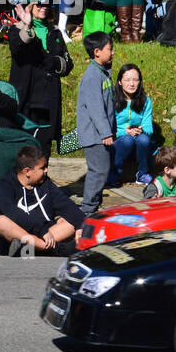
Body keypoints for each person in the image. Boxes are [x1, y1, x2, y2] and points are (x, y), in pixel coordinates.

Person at [8, 0, 73, 147]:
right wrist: (28, 27)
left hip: (49, 96)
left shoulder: (56, 32)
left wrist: (57, 63)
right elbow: (17, 50)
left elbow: (68, 62)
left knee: (45, 142)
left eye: (47, 4)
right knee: (26, 145)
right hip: (27, 95)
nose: (44, 7)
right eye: (39, 4)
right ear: (29, 6)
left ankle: (44, 171)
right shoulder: (16, 30)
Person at [0, 145, 83, 257]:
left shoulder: (46, 184)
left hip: (45, 234)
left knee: (68, 221)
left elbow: (68, 206)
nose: (46, 170)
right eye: (42, 168)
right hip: (18, 235)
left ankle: (30, 248)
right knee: (0, 221)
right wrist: (41, 230)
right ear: (27, 171)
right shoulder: (5, 185)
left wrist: (80, 226)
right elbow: (12, 213)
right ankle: (52, 248)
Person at [76, 31, 116, 216]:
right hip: (95, 135)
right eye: (110, 49)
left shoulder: (102, 73)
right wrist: (105, 133)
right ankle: (87, 211)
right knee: (98, 171)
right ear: (97, 52)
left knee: (102, 170)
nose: (113, 52)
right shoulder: (93, 76)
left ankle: (94, 205)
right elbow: (95, 108)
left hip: (99, 134)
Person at [109, 63, 154, 186]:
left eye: (135, 80)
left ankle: (142, 173)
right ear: (120, 82)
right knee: (127, 140)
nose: (132, 84)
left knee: (144, 140)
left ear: (140, 82)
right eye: (127, 80)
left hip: (138, 142)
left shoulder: (145, 101)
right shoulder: (112, 99)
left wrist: (141, 130)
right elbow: (109, 129)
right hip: (119, 142)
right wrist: (125, 132)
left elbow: (149, 128)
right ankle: (115, 172)